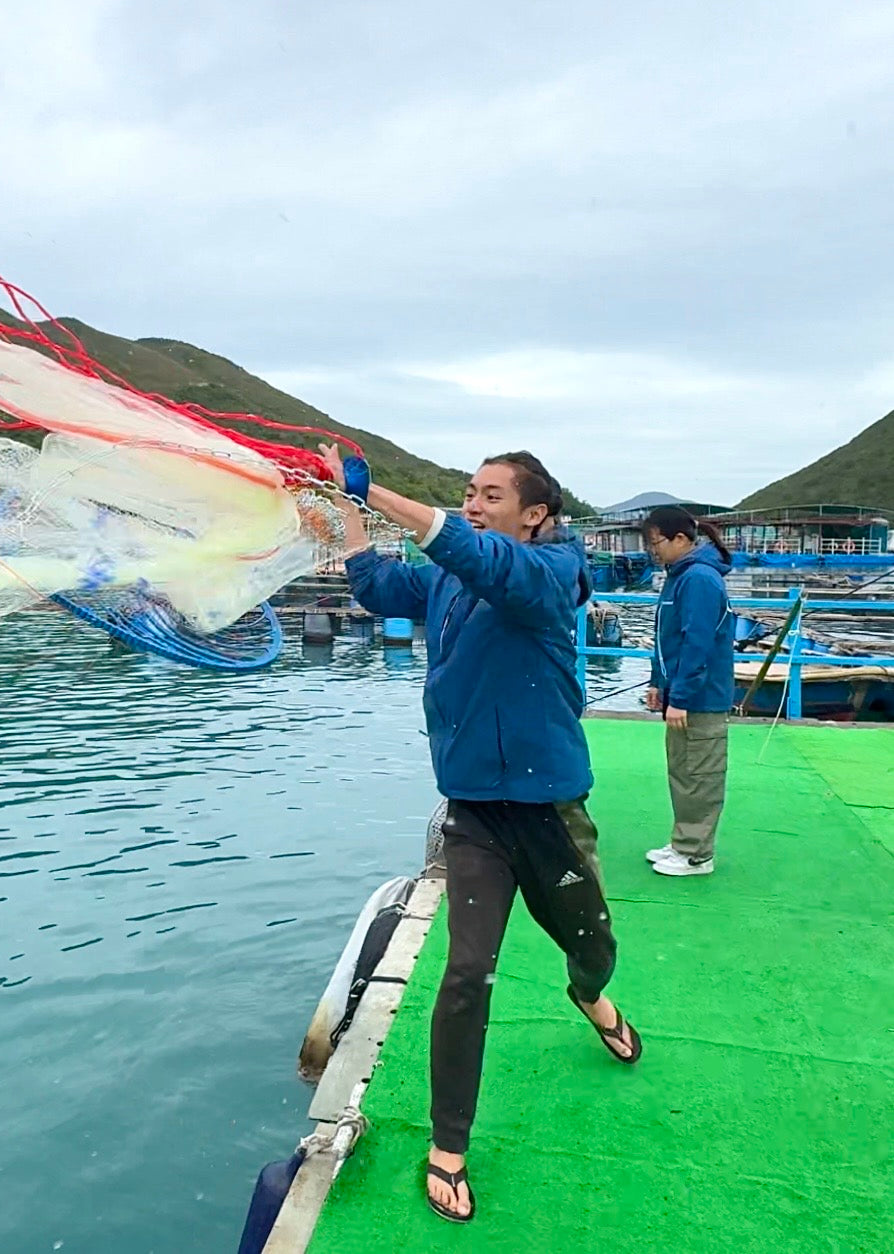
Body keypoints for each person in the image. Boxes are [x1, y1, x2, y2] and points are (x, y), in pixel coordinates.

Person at [320, 445, 641, 1225]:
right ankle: (449, 1146)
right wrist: (349, 528)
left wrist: (379, 494)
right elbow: (393, 586)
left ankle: (590, 994)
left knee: (592, 944)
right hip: (473, 812)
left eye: (490, 494)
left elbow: (479, 556)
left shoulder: (548, 572)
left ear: (535, 514)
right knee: (467, 973)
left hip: (548, 813)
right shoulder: (456, 578)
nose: (473, 503)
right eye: (468, 490)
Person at [641, 506, 735, 876]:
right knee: (682, 769)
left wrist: (680, 697)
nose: (653, 551)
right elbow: (667, 637)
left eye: (656, 543)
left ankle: (697, 853)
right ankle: (684, 840)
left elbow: (698, 642)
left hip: (701, 696)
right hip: (680, 692)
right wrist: (658, 683)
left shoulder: (698, 579)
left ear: (681, 539)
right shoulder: (677, 577)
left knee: (700, 772)